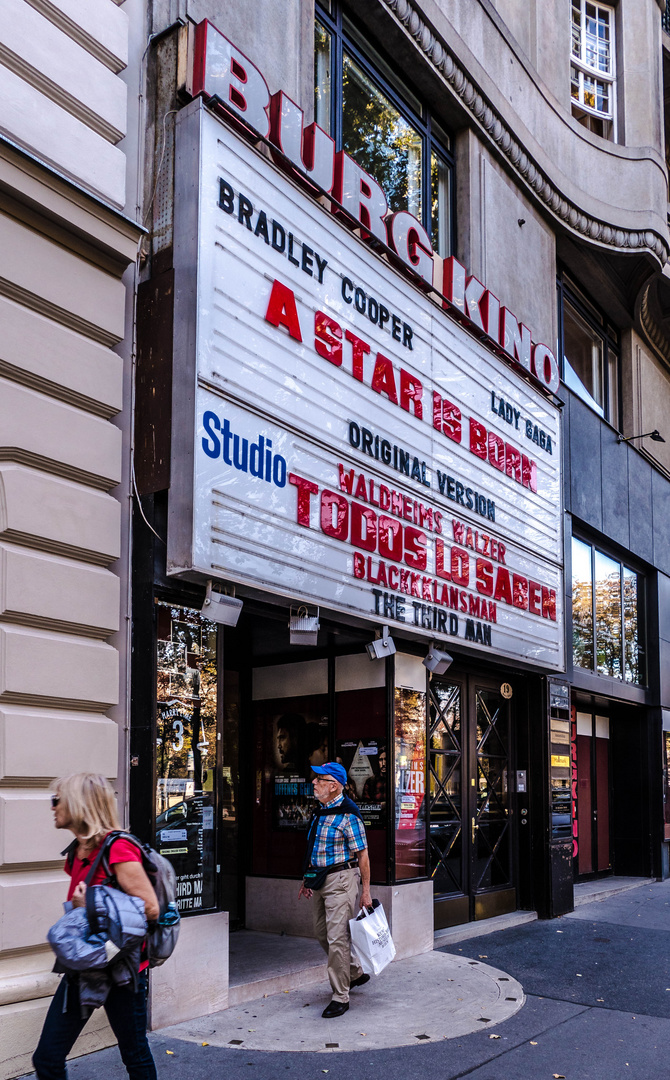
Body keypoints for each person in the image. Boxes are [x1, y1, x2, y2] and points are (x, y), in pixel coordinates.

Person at [32, 773, 160, 1080]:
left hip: (123, 972)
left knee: (134, 1054)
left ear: (78, 804)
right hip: (84, 967)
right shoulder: (76, 852)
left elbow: (150, 908)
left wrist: (90, 904)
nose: (52, 808)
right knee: (47, 1057)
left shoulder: (118, 848)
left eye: (56, 800)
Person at [298, 762, 373, 1018]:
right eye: (315, 779)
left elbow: (363, 855)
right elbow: (314, 849)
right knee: (322, 933)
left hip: (341, 881)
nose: (314, 783)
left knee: (337, 938)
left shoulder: (348, 814)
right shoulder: (321, 811)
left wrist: (365, 892)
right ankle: (354, 972)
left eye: (320, 779)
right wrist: (307, 879)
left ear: (334, 785)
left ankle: (341, 996)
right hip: (319, 880)